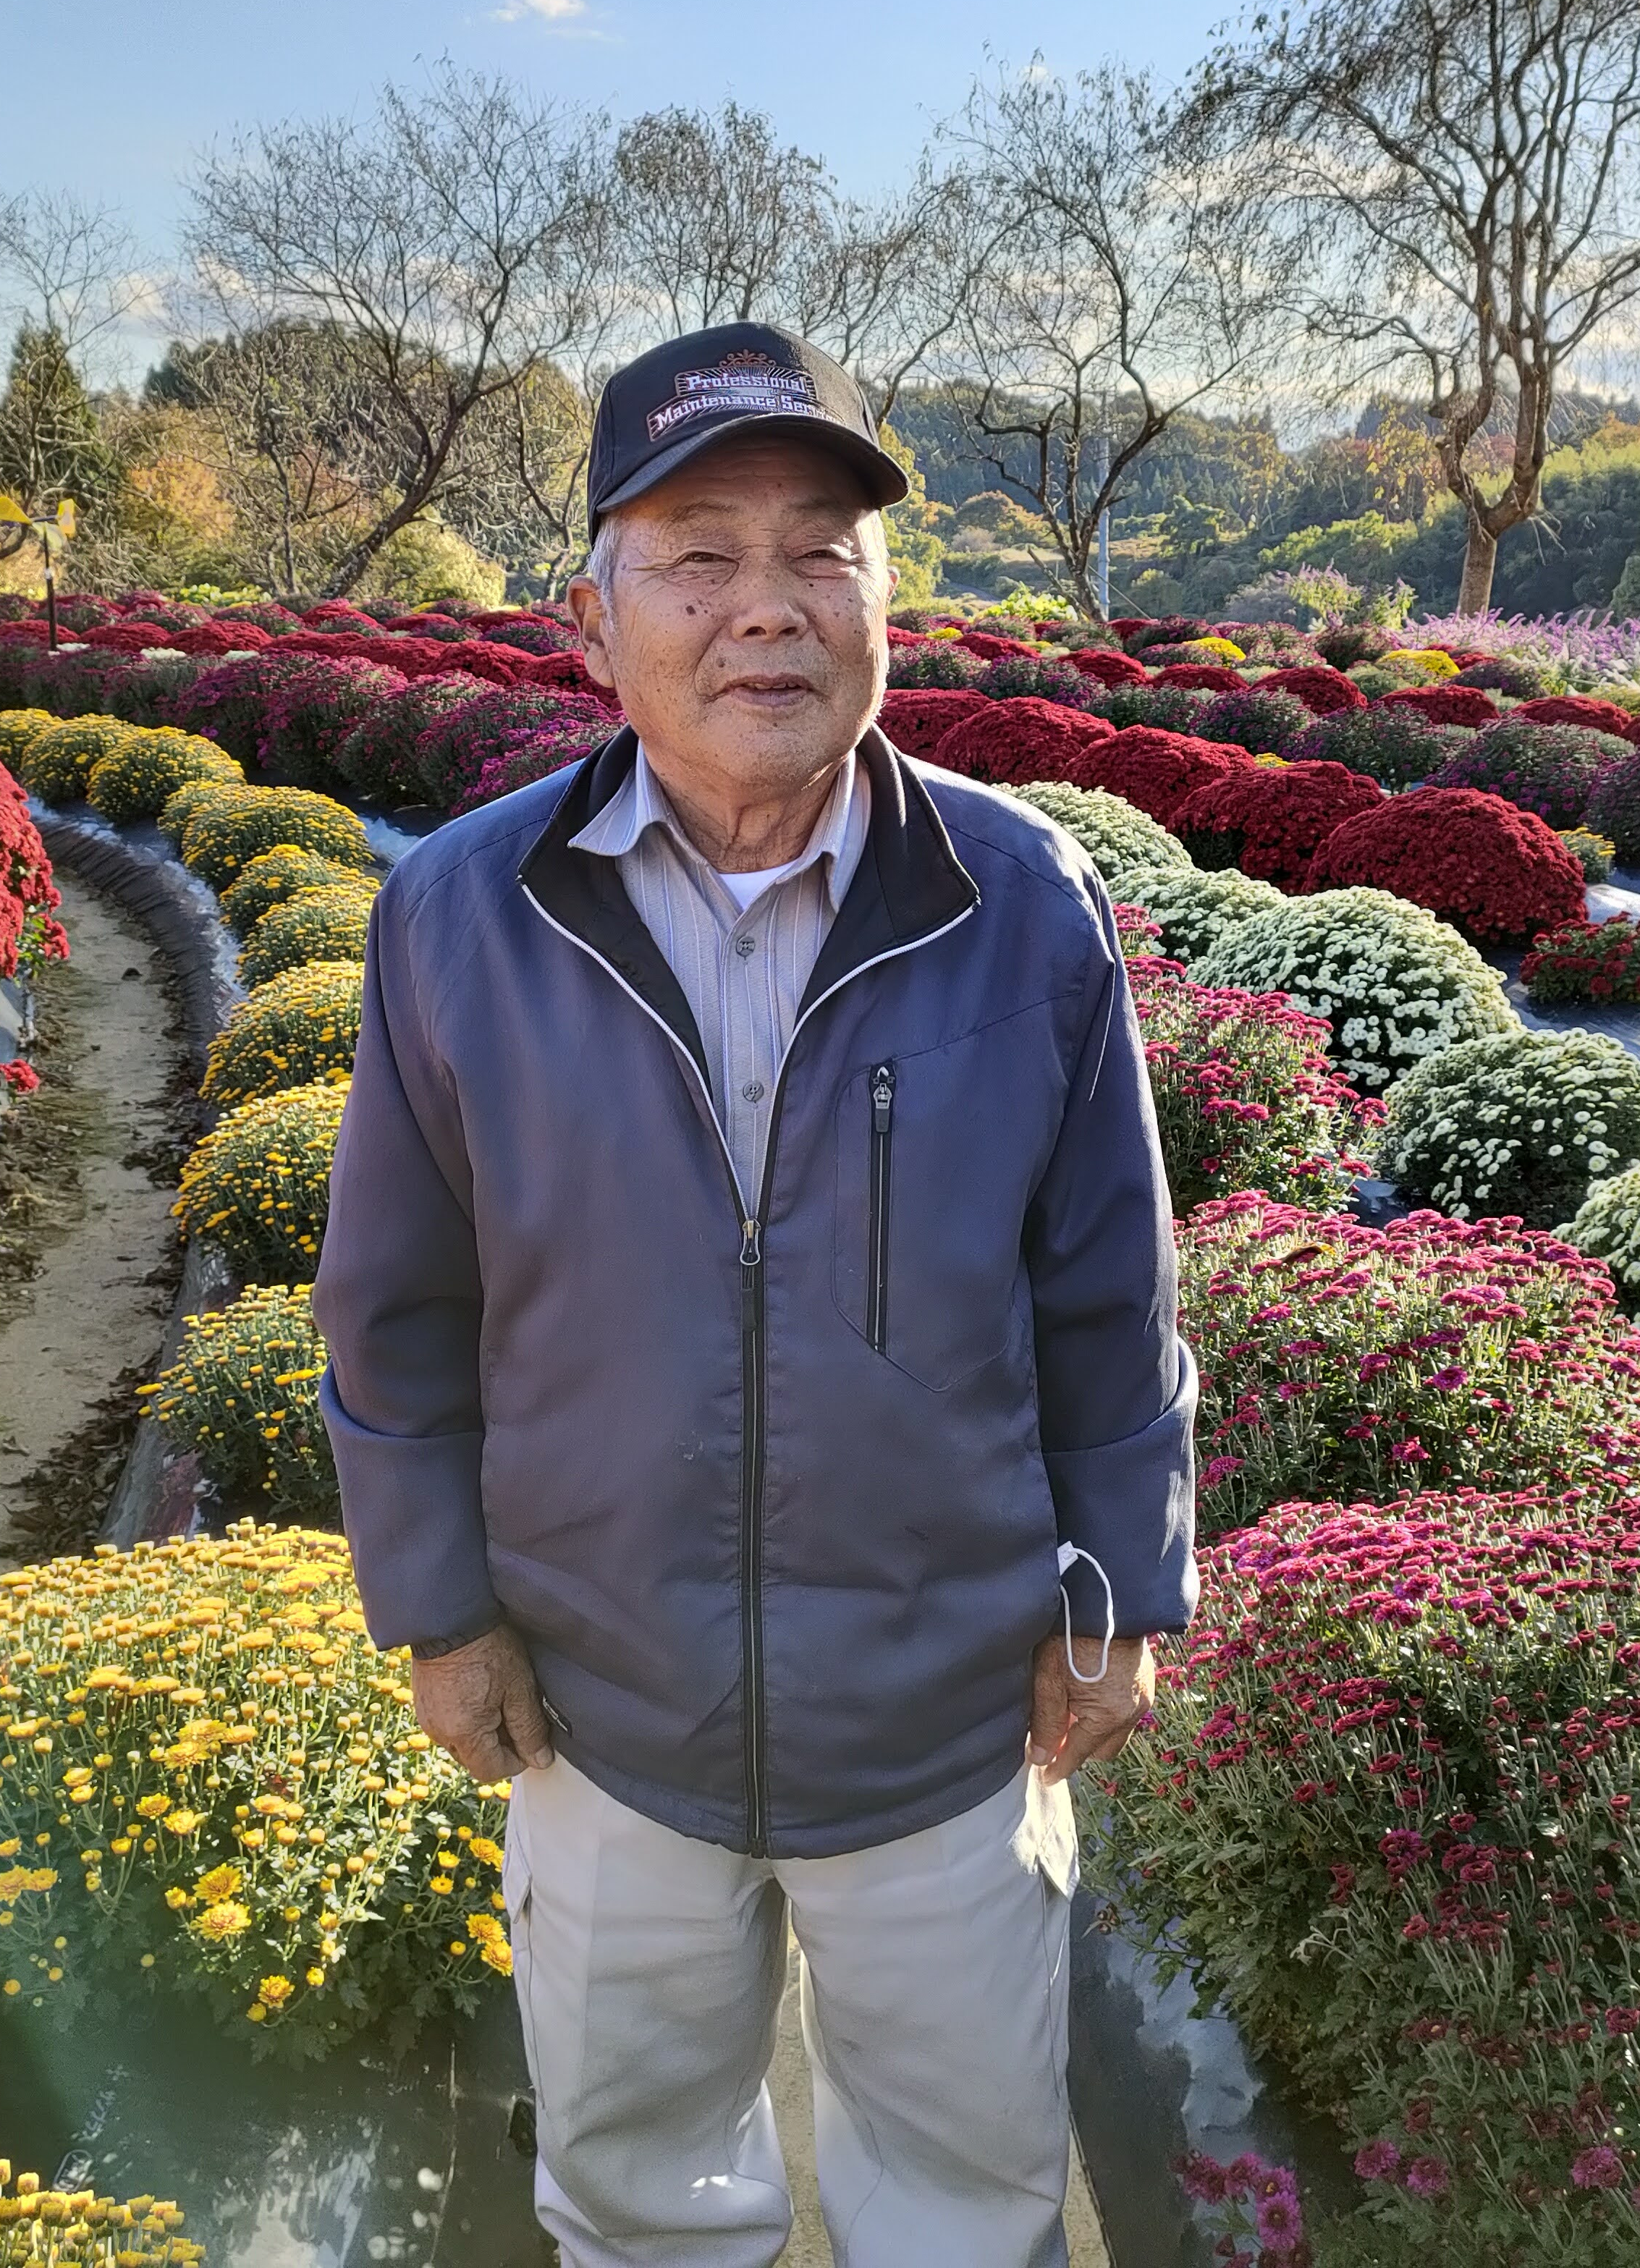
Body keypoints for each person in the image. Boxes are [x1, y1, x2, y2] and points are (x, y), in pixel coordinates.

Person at [314, 321, 1196, 2268]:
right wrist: (437, 1609)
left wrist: (1125, 1585)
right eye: (700, 554)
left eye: (822, 550)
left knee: (965, 2203)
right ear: (594, 605)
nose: (765, 610)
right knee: (635, 2193)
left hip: (946, 1720)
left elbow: (1108, 1291)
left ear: (889, 592)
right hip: (603, 1710)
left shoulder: (1022, 900)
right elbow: (393, 1301)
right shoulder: (463, 914)